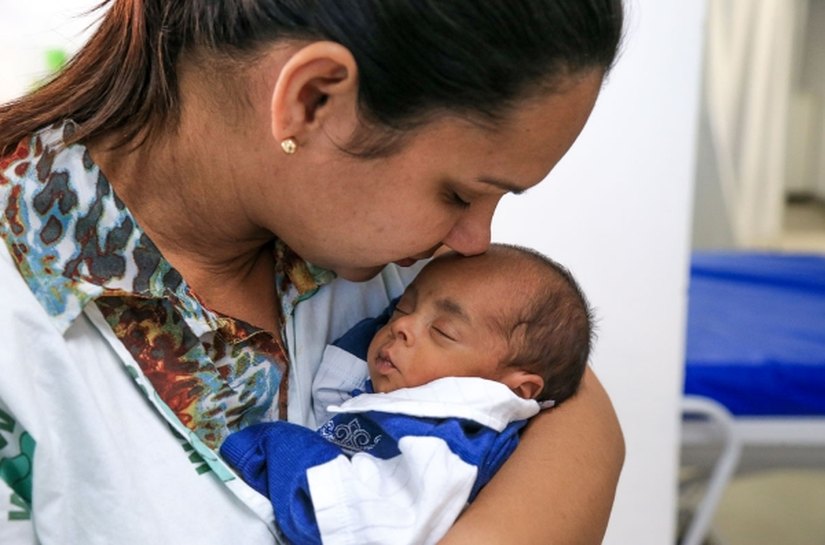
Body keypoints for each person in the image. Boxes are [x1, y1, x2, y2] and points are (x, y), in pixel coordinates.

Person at [0, 2, 625, 544]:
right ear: (312, 99)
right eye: (461, 194)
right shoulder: (23, 322)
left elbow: (565, 403)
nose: (473, 241)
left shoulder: (368, 253)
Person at [221, 244, 594, 545]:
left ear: (514, 389)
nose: (399, 325)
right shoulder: (416, 396)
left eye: (444, 331)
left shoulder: (444, 444)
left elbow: (354, 527)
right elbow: (336, 397)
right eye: (403, 307)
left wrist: (269, 446)